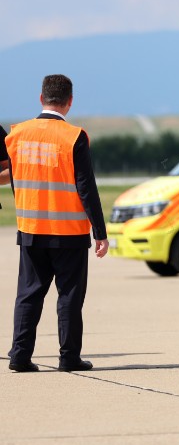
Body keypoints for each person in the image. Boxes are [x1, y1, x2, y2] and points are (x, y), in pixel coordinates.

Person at [5, 74, 109, 373]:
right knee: (69, 296)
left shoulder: (16, 135)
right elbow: (87, 188)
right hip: (69, 234)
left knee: (28, 294)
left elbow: (16, 182)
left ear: (41, 98)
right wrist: (99, 232)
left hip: (30, 230)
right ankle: (68, 357)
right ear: (70, 101)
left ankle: (20, 356)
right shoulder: (74, 137)